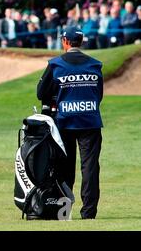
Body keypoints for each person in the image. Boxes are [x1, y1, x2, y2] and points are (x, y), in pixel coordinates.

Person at [37, 26, 103, 219]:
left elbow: (41, 93)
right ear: (81, 42)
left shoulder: (56, 64)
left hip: (65, 121)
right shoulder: (95, 65)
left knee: (64, 167)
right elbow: (98, 94)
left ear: (65, 41)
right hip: (91, 121)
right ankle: (89, 212)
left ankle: (63, 211)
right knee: (90, 167)